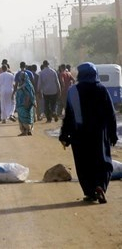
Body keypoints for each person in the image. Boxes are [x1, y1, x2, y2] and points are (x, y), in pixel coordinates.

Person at [59, 62, 118, 204]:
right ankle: (101, 186)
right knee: (103, 161)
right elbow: (111, 114)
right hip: (99, 133)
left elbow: (69, 115)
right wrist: (113, 133)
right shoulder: (102, 89)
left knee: (84, 163)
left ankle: (90, 191)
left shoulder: (73, 91)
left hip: (79, 134)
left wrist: (64, 135)